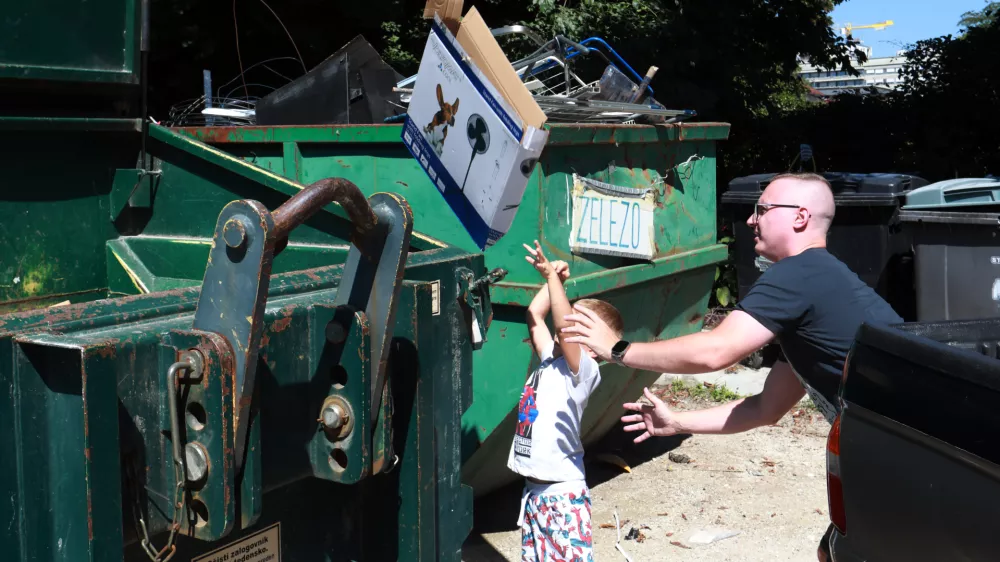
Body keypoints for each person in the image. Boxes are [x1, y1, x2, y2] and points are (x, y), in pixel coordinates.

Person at [559, 173, 903, 561]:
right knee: (834, 552)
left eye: (762, 209)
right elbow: (765, 408)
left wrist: (617, 349)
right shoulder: (817, 289)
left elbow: (716, 351)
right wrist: (678, 423)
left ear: (800, 217)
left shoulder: (799, 274)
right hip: (895, 448)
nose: (752, 220)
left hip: (906, 452)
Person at [508, 240, 625, 562]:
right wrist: (556, 281)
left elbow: (562, 325)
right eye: (571, 315)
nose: (569, 323)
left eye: (579, 323)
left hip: (562, 495)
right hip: (534, 492)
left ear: (595, 345)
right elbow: (535, 314)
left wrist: (550, 279)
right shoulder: (550, 360)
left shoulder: (583, 372)